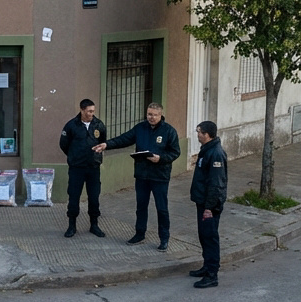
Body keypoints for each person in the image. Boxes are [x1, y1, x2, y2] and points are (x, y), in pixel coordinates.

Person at [94, 103, 181, 250]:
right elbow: (124, 139)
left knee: (162, 208)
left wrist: (160, 158)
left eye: (154, 115)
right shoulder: (140, 128)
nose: (151, 117)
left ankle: (164, 238)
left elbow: (175, 152)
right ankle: (139, 233)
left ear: (161, 115)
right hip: (142, 175)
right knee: (141, 207)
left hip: (159, 176)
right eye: (149, 114)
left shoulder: (169, 131)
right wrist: (106, 145)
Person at [58, 98, 107, 238]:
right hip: (77, 168)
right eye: (89, 111)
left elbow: (103, 141)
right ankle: (72, 226)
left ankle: (94, 225)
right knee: (74, 196)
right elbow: (63, 144)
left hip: (93, 167)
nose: (92, 113)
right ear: (82, 110)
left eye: (93, 111)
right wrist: (74, 156)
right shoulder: (71, 125)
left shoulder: (98, 124)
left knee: (94, 197)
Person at [189, 120, 227, 288]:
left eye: (199, 132)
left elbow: (216, 183)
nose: (197, 135)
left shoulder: (216, 154)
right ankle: (206, 267)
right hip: (202, 202)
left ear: (207, 135)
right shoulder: (207, 150)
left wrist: (209, 208)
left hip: (209, 206)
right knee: (204, 236)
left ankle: (212, 274)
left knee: (210, 238)